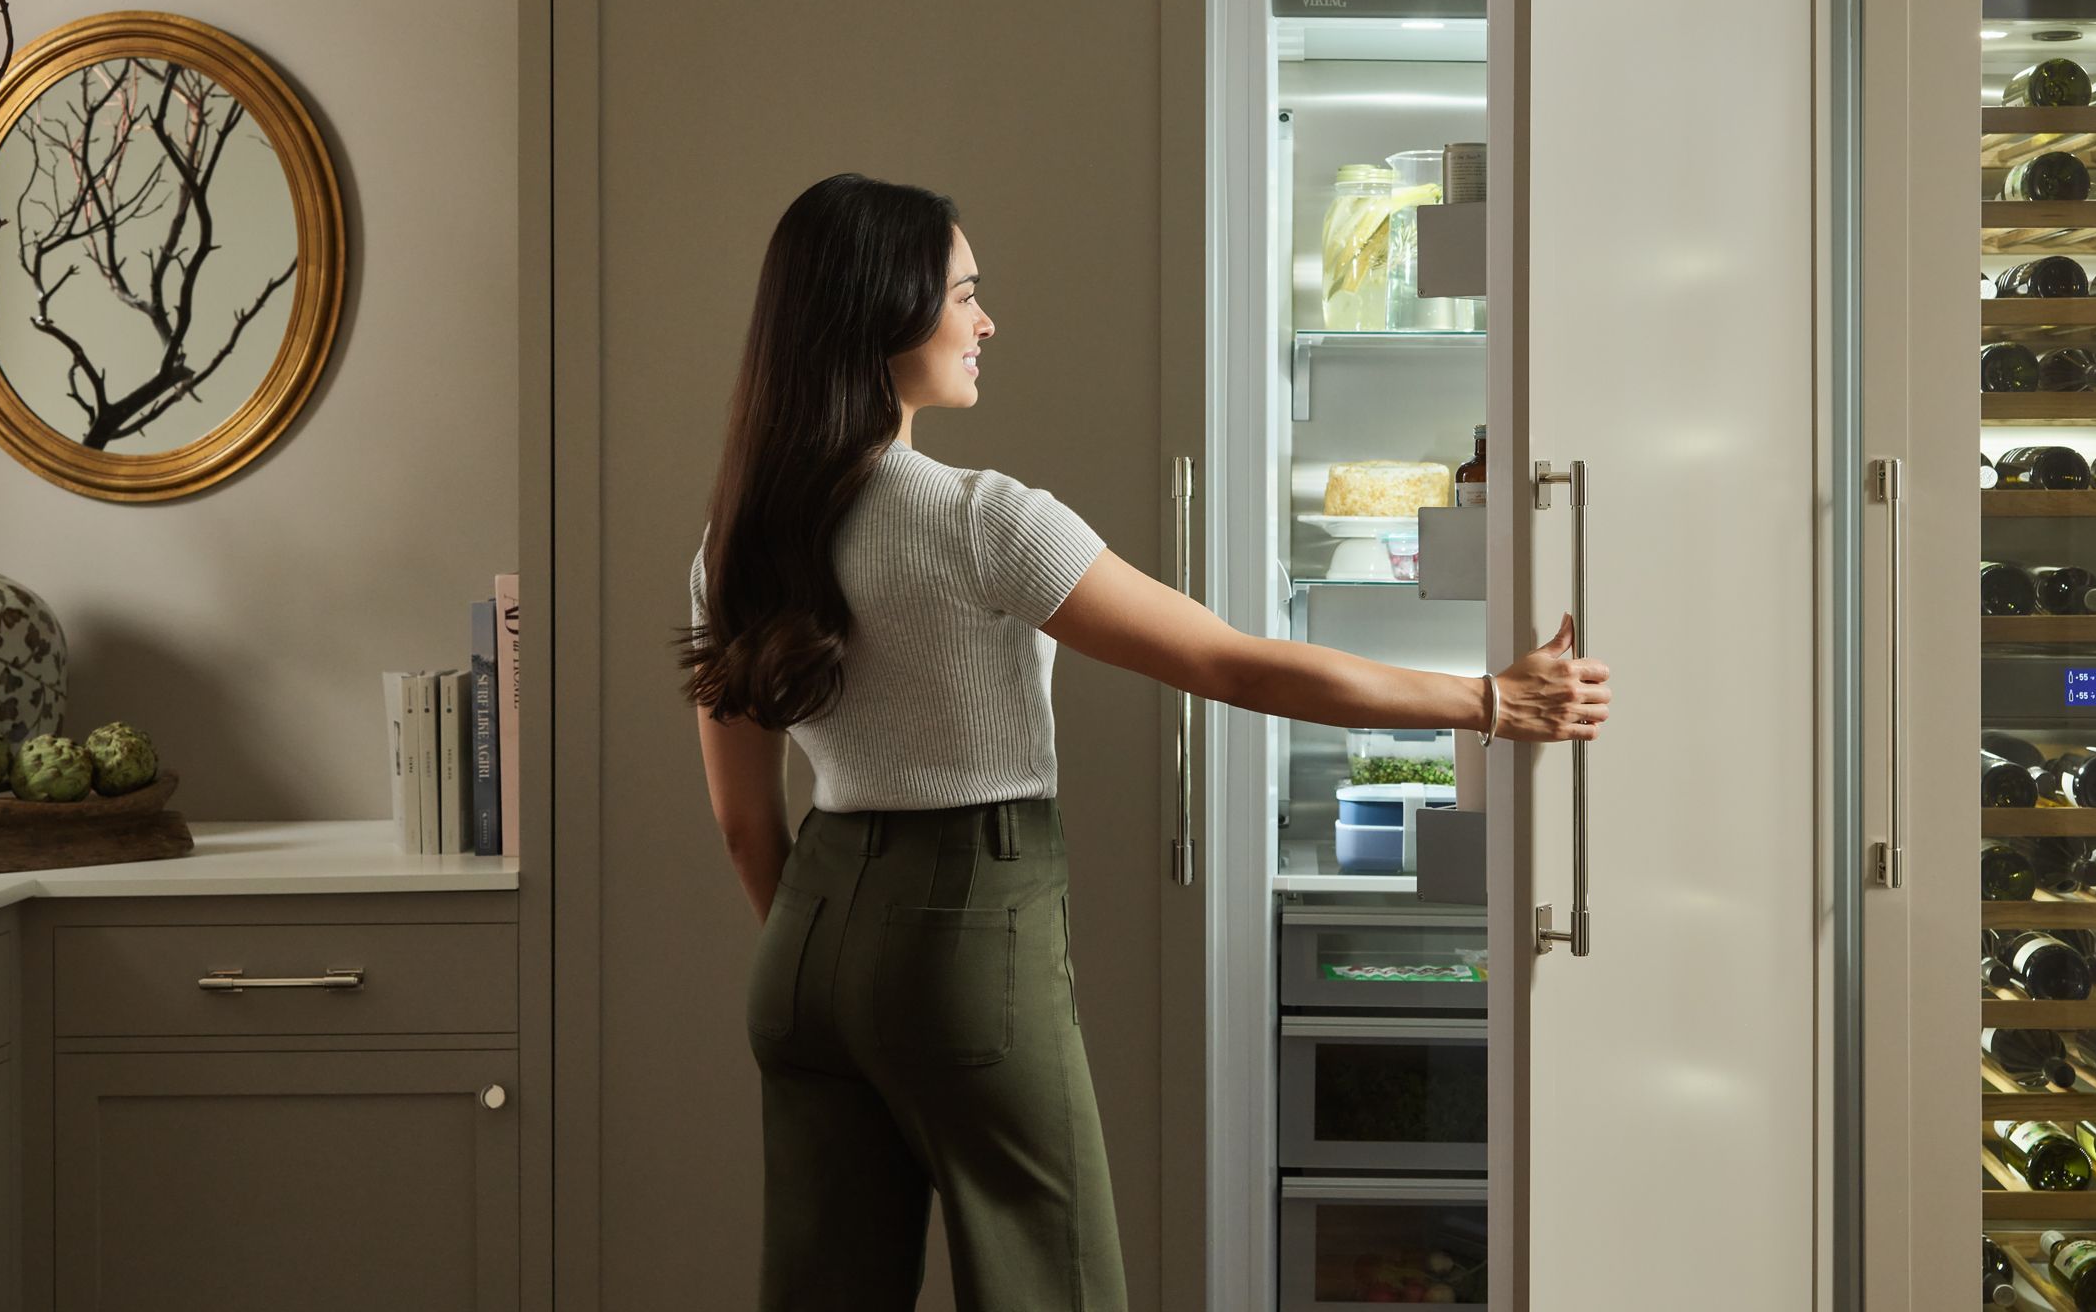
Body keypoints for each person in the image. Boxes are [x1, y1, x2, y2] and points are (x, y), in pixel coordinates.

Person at [679, 173, 1610, 1312]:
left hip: (804, 944)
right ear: (883, 316)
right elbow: (1230, 660)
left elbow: (741, 820)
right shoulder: (982, 517)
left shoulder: (734, 541)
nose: (985, 323)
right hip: (965, 927)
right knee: (1054, 1281)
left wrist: (838, 950)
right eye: (963, 296)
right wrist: (1488, 700)